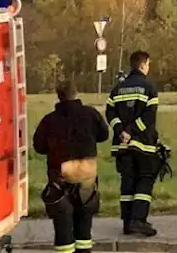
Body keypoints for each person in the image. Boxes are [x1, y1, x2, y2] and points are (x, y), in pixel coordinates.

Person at [32, 81, 111, 253]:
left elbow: (39, 146)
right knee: (84, 229)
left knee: (63, 229)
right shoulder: (90, 114)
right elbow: (104, 135)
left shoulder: (49, 120)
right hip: (86, 177)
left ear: (58, 96)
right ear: (76, 94)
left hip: (59, 180)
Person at [106, 51, 161, 237]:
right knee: (144, 180)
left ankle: (127, 223)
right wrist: (131, 132)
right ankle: (140, 220)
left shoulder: (117, 88)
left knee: (127, 183)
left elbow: (109, 113)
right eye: (148, 64)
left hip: (122, 146)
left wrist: (121, 130)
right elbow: (149, 116)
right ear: (143, 65)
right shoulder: (149, 87)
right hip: (143, 145)